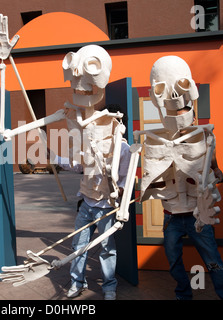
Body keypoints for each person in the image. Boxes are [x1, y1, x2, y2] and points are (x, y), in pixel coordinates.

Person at [48, 104, 131, 300]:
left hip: (106, 208)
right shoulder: (89, 145)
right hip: (86, 204)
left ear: (114, 123)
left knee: (106, 248)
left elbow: (126, 181)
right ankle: (77, 283)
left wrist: (116, 193)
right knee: (79, 245)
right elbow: (77, 165)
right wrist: (54, 157)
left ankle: (109, 286)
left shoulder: (124, 149)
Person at [157, 106, 223, 300]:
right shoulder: (164, 141)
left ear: (193, 119)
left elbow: (213, 164)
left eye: (184, 119)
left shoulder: (205, 138)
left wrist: (216, 170)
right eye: (177, 119)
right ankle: (183, 294)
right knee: (174, 261)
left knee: (212, 260)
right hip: (172, 215)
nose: (180, 124)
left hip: (197, 213)